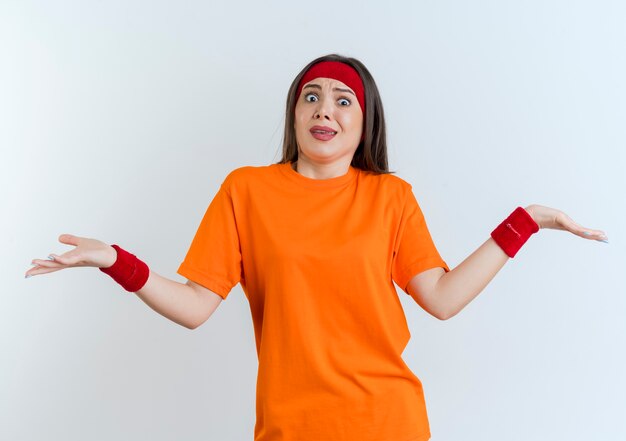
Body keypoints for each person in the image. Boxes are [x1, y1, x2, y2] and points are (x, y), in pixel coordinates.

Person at [25, 53, 608, 441]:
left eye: (342, 99)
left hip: (388, 423)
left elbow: (442, 297)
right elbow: (196, 305)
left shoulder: (389, 197)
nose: (324, 108)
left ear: (363, 120)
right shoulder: (247, 190)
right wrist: (114, 261)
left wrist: (524, 222)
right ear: (294, 113)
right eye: (311, 96)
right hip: (288, 427)